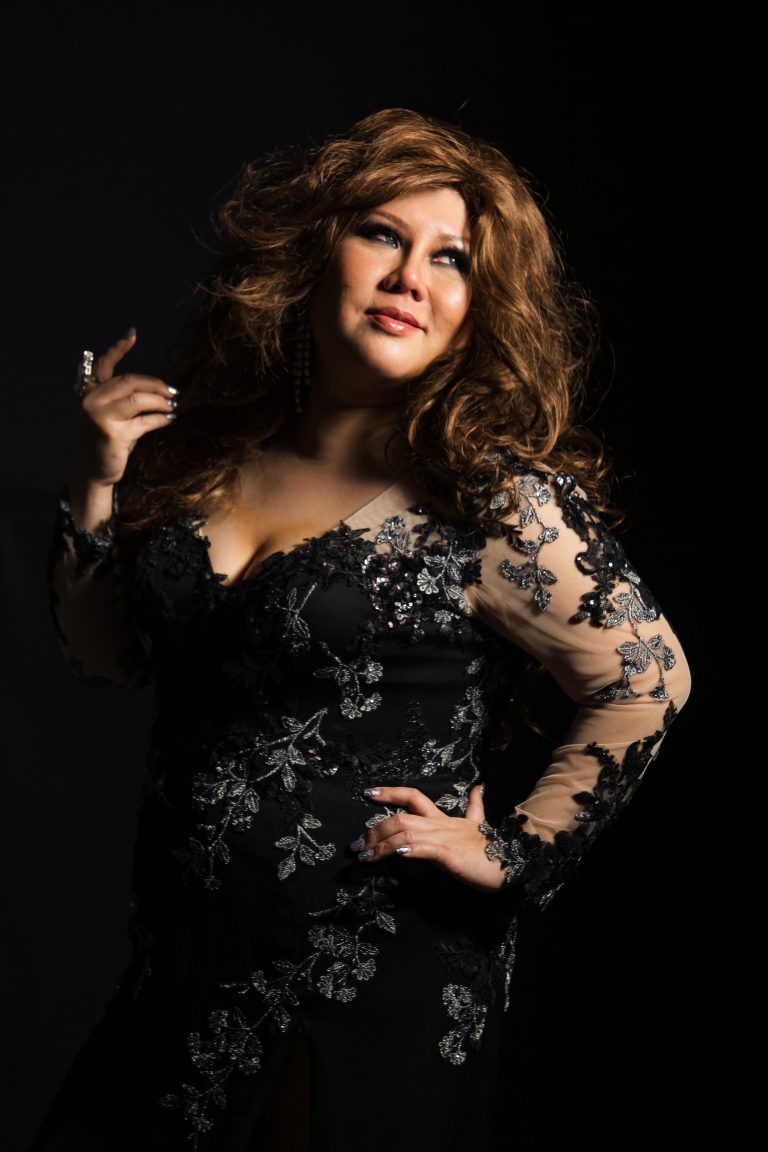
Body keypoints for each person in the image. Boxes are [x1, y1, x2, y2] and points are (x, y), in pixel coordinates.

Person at [36, 107, 691, 1151]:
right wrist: (96, 483)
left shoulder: (488, 501)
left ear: (477, 307)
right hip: (184, 958)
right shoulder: (205, 458)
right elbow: (107, 658)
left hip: (370, 970)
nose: (409, 278)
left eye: (450, 259)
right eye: (382, 234)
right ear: (314, 252)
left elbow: (649, 679)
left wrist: (516, 851)